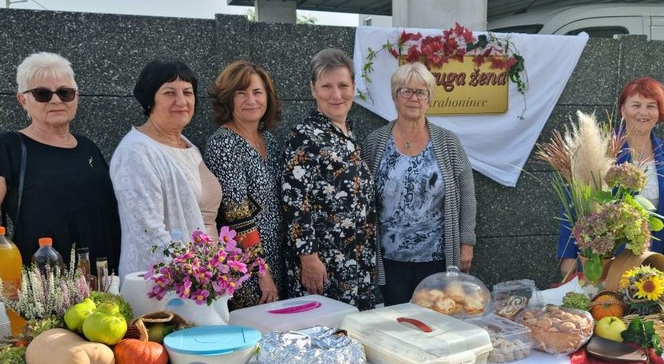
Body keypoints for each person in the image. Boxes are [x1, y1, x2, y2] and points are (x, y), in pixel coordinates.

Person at [0, 52, 121, 268]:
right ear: (23, 99)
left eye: (65, 93)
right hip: (45, 280)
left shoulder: (88, 147)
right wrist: (2, 278)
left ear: (77, 96)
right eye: (42, 94)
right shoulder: (7, 148)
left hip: (105, 275)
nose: (56, 100)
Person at [362, 62, 477, 306]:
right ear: (395, 96)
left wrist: (466, 243)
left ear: (429, 98)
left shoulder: (448, 142)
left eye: (421, 92)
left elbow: (467, 192)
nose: (414, 98)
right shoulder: (375, 142)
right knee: (398, 320)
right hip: (390, 260)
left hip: (437, 258)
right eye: (406, 91)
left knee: (437, 319)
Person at [281, 49, 376, 310]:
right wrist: (309, 258)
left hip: (356, 262)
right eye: (327, 86)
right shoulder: (304, 135)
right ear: (313, 89)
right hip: (323, 266)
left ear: (353, 87)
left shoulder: (348, 133)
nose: (336, 95)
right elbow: (294, 201)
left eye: (343, 86)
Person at [110, 59, 222, 277]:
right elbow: (148, 232)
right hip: (165, 282)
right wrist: (194, 275)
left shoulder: (188, 146)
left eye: (187, 92)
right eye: (169, 93)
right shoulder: (135, 152)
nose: (181, 101)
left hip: (202, 276)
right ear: (149, 99)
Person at [558, 77, 664, 278]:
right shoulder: (602, 147)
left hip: (649, 257)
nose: (643, 112)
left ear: (659, 112)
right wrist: (568, 256)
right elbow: (574, 203)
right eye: (636, 105)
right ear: (623, 110)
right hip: (603, 257)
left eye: (651, 106)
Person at [204, 61, 285, 308]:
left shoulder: (269, 141)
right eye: (241, 93)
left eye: (257, 92)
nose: (251, 100)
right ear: (228, 99)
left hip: (277, 258)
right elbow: (237, 215)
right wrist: (262, 273)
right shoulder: (224, 144)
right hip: (247, 270)